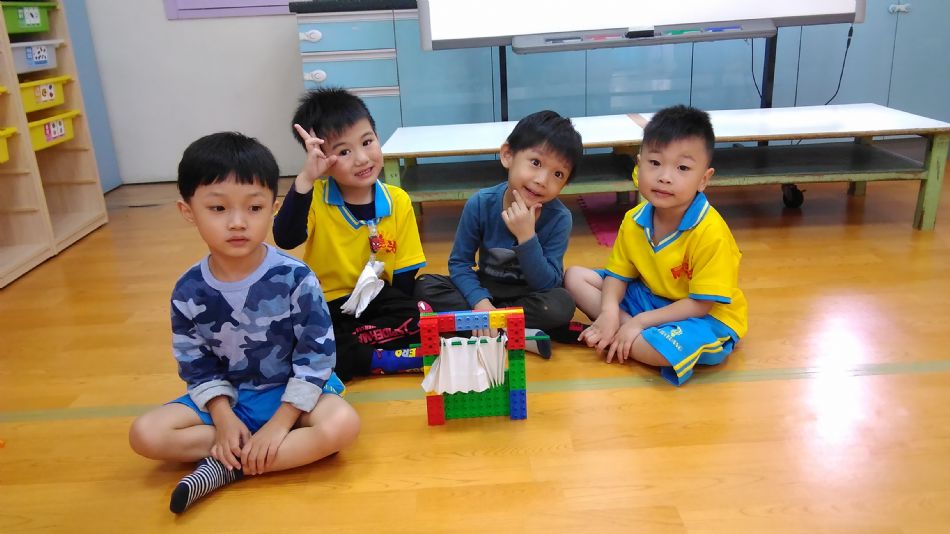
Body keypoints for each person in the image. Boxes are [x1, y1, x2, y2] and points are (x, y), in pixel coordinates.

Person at [128, 132, 360, 514]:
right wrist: (222, 418)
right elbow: (196, 364)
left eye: (254, 208)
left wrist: (281, 421)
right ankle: (254, 451)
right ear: (188, 211)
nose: (238, 223)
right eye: (218, 208)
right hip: (231, 398)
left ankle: (226, 466)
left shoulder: (295, 276)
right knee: (145, 434)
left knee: (342, 425)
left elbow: (316, 357)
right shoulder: (188, 289)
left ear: (273, 209)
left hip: (295, 395)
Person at [565, 105, 748, 385]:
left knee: (661, 352)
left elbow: (701, 304)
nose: (665, 176)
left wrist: (639, 321)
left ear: (704, 179)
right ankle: (621, 327)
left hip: (703, 314)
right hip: (650, 297)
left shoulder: (711, 232)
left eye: (682, 168)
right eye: (654, 163)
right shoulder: (634, 219)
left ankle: (630, 332)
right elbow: (618, 275)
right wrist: (609, 310)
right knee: (574, 277)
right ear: (639, 165)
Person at [274, 88, 427, 381]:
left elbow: (405, 274)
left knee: (419, 311)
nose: (362, 158)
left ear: (377, 136)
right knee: (295, 335)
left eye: (367, 142)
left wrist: (401, 312)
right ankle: (380, 355)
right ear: (321, 158)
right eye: (343, 152)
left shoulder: (397, 200)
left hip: (378, 299)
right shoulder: (315, 199)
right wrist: (306, 178)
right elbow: (286, 238)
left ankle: (354, 352)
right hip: (328, 303)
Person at [413, 110, 583, 358]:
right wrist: (481, 302)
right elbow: (459, 263)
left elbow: (548, 284)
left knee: (562, 304)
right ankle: (514, 333)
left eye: (558, 174)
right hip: (485, 290)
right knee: (425, 286)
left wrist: (527, 237)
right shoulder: (481, 203)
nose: (542, 180)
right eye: (536, 163)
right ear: (507, 155)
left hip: (529, 297)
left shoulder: (559, 218)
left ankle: (485, 327)